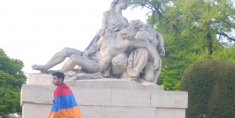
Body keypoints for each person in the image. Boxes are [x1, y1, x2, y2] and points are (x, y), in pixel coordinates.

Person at [32, 20, 161, 80]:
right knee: (66, 50)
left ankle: (57, 75)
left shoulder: (129, 43)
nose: (129, 34)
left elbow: (148, 46)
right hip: (92, 56)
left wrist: (156, 58)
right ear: (125, 28)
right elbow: (95, 46)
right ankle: (45, 67)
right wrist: (88, 51)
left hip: (98, 65)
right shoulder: (109, 34)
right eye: (129, 30)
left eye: (133, 32)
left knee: (74, 59)